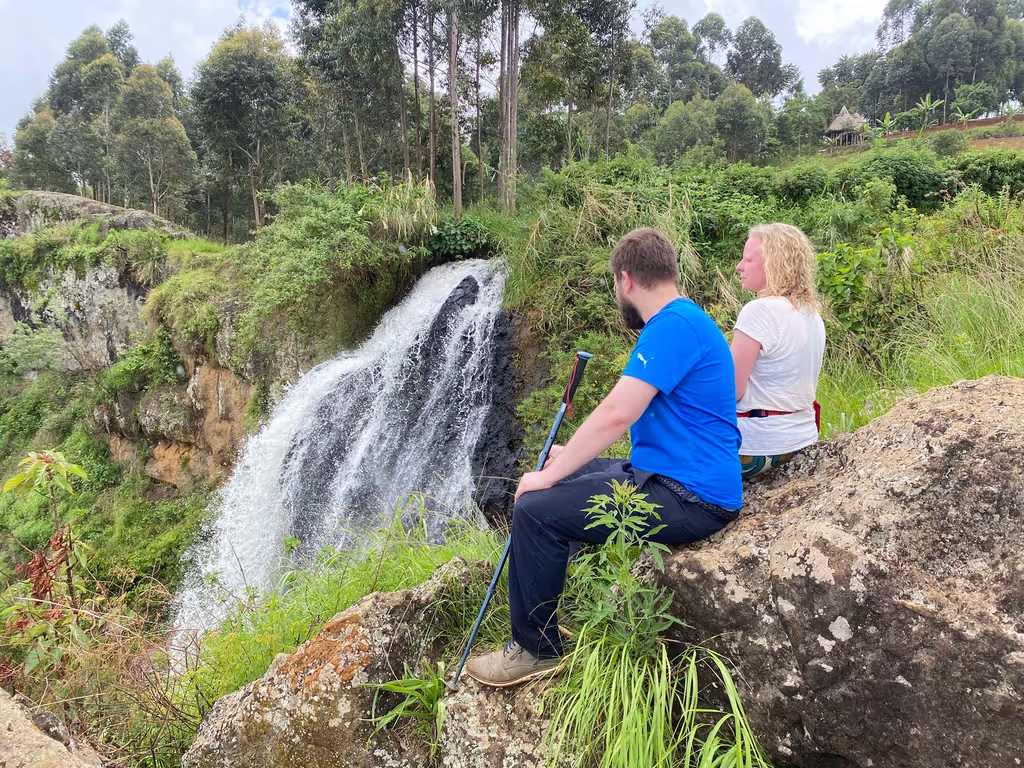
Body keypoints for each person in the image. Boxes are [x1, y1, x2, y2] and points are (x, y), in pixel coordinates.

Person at [465, 228, 743, 688]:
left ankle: (537, 650)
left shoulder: (673, 327)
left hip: (691, 498)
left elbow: (617, 412)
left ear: (626, 279)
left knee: (534, 509)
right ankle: (551, 609)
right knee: (567, 477)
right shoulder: (684, 320)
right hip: (673, 477)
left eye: (616, 284)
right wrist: (566, 462)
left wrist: (554, 470)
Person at [731, 223, 825, 478]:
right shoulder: (811, 313)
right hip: (802, 439)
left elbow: (731, 390)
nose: (739, 266)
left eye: (748, 259)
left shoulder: (759, 311)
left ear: (773, 264)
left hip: (758, 447)